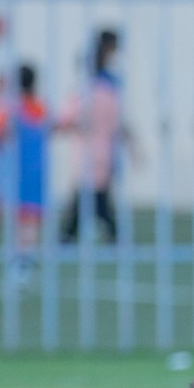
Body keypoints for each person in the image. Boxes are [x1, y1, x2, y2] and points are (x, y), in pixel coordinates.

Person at [57, 27, 130, 248]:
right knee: (96, 196)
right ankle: (105, 234)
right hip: (104, 150)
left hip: (86, 151)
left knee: (89, 196)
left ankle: (71, 235)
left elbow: (66, 121)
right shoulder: (109, 91)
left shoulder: (81, 93)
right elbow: (118, 123)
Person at [0, 63, 52, 266]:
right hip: (36, 169)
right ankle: (27, 253)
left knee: (18, 215)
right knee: (31, 216)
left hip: (14, 170)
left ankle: (18, 254)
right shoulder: (40, 107)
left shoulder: (9, 108)